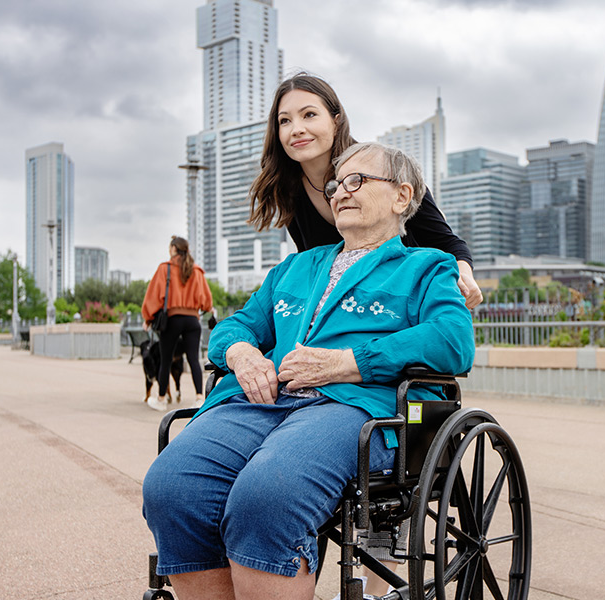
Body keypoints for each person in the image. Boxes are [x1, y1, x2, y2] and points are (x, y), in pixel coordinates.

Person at [142, 143, 476, 600]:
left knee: (269, 493)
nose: (340, 192)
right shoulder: (296, 267)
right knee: (172, 486)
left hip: (354, 407)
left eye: (358, 181)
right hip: (262, 401)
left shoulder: (427, 267)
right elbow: (237, 325)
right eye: (337, 183)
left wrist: (349, 362)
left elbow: (452, 339)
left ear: (402, 197)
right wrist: (241, 353)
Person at [248, 72, 483, 310]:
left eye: (309, 115)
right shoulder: (289, 188)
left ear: (335, 121)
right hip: (349, 310)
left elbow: (447, 242)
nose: (296, 129)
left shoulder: (382, 169)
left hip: (406, 302)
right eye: (284, 121)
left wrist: (464, 276)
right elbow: (314, 262)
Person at [141, 236, 213, 411]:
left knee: (165, 360)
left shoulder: (164, 269)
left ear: (174, 249)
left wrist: (148, 318)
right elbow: (207, 301)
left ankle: (161, 399)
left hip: (172, 320)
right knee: (193, 359)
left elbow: (153, 297)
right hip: (192, 321)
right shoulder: (197, 271)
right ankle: (199, 398)